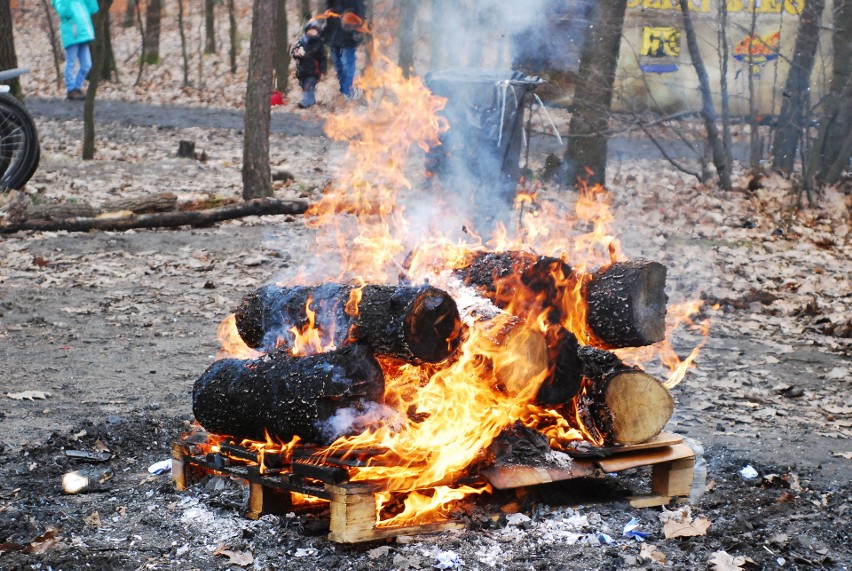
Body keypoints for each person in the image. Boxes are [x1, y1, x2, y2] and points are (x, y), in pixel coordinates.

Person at [52, 0, 99, 101]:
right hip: (71, 35)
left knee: (87, 65)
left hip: (84, 35)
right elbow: (65, 13)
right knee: (71, 63)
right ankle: (70, 89)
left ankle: (77, 87)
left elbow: (94, 9)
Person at [323, 0, 366, 100]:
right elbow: (328, 11)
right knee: (337, 63)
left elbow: (361, 13)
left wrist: (355, 29)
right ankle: (344, 90)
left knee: (347, 62)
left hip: (348, 35)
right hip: (333, 34)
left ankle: (348, 91)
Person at [290, 20, 328, 109]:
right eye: (310, 30)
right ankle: (311, 100)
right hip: (302, 71)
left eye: (315, 30)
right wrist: (297, 53)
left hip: (313, 71)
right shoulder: (302, 41)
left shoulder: (319, 43)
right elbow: (294, 52)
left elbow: (322, 58)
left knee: (309, 85)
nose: (312, 32)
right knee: (304, 86)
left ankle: (307, 101)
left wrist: (323, 71)